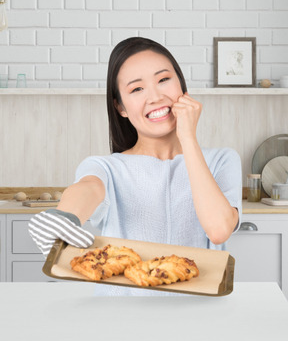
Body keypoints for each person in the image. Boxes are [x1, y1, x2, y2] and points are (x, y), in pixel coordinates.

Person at [29, 37, 242, 296]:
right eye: (136, 89)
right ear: (120, 107)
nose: (155, 96)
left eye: (164, 80)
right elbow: (88, 188)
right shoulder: (106, 167)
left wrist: (188, 139)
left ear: (182, 87)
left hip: (199, 317)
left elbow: (219, 230)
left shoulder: (222, 160)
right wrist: (64, 217)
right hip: (122, 317)